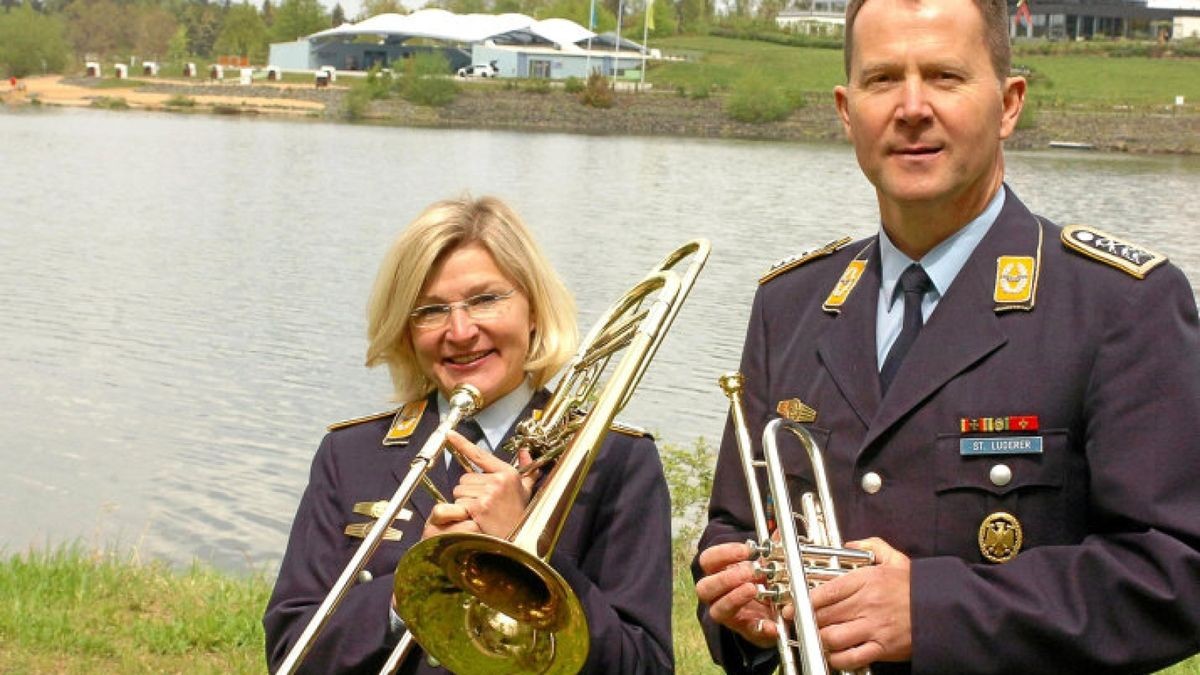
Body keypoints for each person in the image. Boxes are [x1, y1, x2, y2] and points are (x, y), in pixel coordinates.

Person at [693, 0, 1200, 673]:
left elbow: (1178, 573)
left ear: (1009, 103)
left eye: (944, 76)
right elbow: (734, 529)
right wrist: (745, 611)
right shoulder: (788, 305)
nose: (910, 107)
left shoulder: (1119, 304)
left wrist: (933, 609)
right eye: (881, 80)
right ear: (847, 110)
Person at [264, 196, 674, 674]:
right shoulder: (350, 454)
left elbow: (643, 665)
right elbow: (289, 655)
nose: (460, 332)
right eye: (431, 310)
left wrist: (529, 551)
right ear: (405, 331)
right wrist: (409, 589)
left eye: (485, 299)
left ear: (534, 309)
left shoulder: (617, 459)